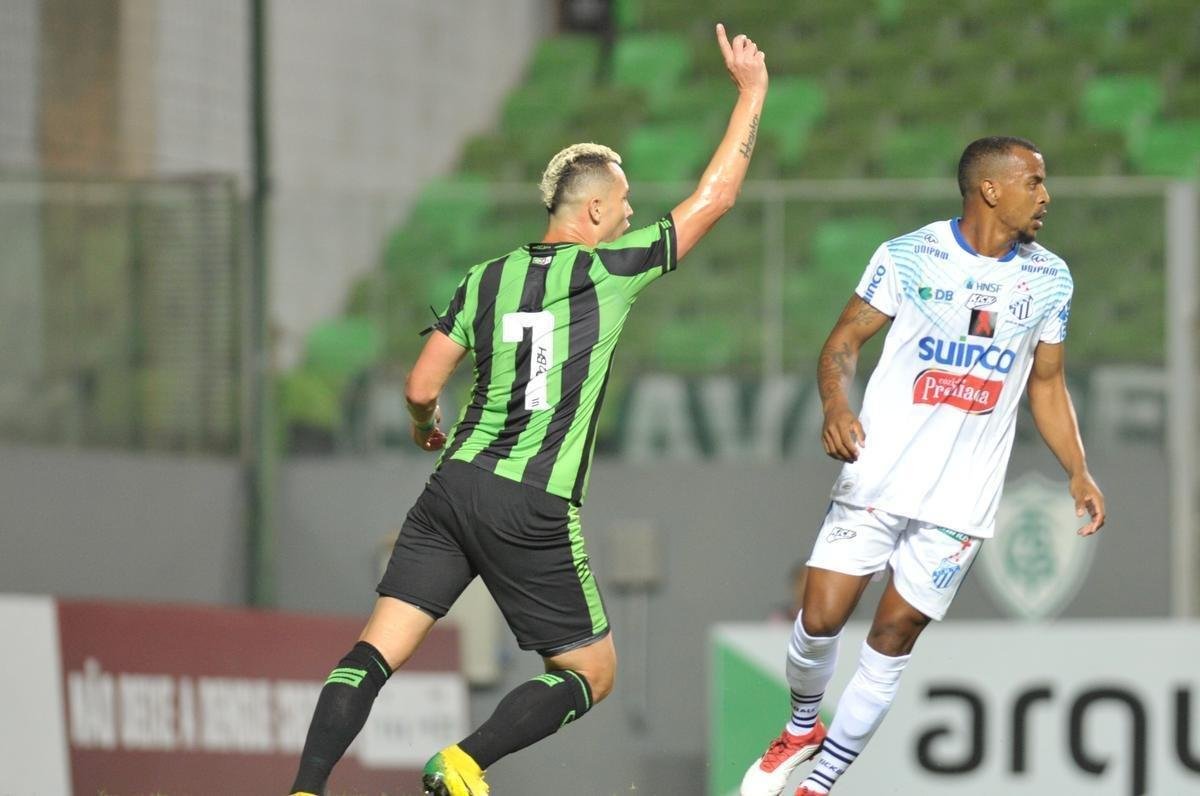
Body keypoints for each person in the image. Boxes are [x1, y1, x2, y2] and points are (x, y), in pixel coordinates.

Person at [289, 22, 768, 796]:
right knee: (590, 670)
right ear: (590, 214)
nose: (628, 213)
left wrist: (425, 430)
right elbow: (717, 197)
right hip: (530, 502)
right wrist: (751, 94)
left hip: (453, 487)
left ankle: (305, 789)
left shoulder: (484, 278)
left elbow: (419, 386)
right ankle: (464, 761)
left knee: (375, 650)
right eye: (622, 203)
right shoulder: (610, 269)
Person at [740, 136, 1107, 796]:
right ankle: (800, 727)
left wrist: (1077, 470)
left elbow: (1046, 384)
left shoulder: (1050, 278)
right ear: (990, 189)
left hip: (961, 501)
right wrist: (833, 403)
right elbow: (843, 343)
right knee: (820, 617)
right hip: (878, 476)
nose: (1046, 196)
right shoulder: (908, 257)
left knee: (894, 634)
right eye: (1035, 182)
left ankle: (817, 785)